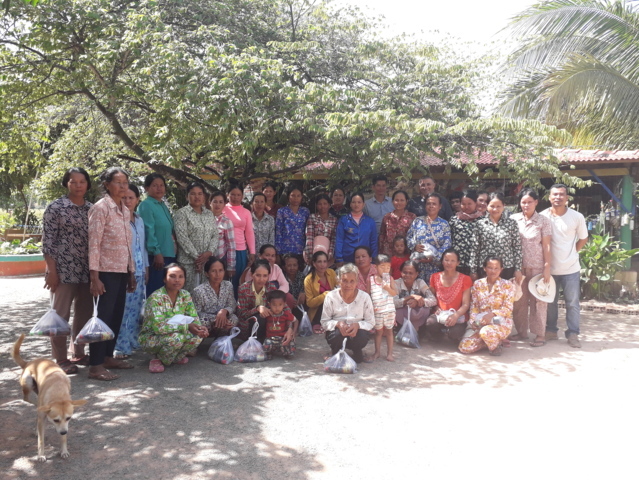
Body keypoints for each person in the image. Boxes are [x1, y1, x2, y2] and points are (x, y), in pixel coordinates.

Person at [42, 167, 94, 374]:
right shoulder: (56, 207)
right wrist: (51, 271)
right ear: (66, 184)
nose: (78, 185)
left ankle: (78, 352)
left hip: (87, 270)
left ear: (88, 184)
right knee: (60, 316)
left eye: (82, 181)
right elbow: (48, 242)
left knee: (84, 313)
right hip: (62, 270)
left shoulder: (92, 209)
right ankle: (61, 358)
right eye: (73, 181)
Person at [87, 167, 137, 381]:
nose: (123, 186)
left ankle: (108, 357)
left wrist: (131, 272)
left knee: (116, 316)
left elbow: (127, 244)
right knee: (102, 318)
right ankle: (95, 366)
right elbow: (94, 244)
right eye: (118, 182)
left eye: (125, 182)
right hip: (105, 273)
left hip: (121, 271)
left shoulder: (124, 209)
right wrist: (94, 277)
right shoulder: (101, 208)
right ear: (107, 185)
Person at [541, 184, 588, 348]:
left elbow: (583, 238)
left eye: (561, 195)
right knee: (550, 302)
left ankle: (573, 333)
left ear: (567, 198)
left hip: (571, 269)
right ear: (549, 197)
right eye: (555, 194)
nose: (558, 197)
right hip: (550, 269)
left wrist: (572, 253)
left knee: (572, 303)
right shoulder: (543, 217)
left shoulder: (577, 217)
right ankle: (551, 331)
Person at [139, 264, 208, 373]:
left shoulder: (185, 295)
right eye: (172, 276)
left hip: (175, 333)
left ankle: (174, 357)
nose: (177, 280)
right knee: (177, 338)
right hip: (152, 337)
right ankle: (157, 359)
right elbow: (159, 328)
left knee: (197, 336)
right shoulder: (156, 298)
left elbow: (193, 318)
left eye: (181, 276)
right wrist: (186, 327)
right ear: (164, 279)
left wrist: (200, 328)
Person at [510, 188, 552, 347]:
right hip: (518, 267)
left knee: (539, 301)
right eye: (523, 202)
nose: (526, 205)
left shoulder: (543, 221)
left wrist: (547, 267)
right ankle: (521, 332)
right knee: (518, 301)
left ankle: (540, 334)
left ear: (536, 202)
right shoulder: (513, 219)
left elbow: (547, 246)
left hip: (537, 267)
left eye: (529, 202)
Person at [114, 184, 149, 359]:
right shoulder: (117, 219)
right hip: (125, 272)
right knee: (123, 309)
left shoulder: (139, 220)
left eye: (131, 198)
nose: (127, 201)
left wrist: (146, 267)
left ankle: (133, 340)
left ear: (137, 200)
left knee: (136, 308)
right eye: (124, 198)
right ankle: (120, 346)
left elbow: (142, 246)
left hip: (140, 271)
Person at [459, 256, 515, 356]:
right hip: (481, 322)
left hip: (500, 322)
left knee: (486, 332)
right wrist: (473, 322)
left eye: (496, 268)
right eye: (490, 267)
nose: (493, 271)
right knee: (464, 347)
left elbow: (508, 308)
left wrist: (492, 314)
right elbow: (474, 306)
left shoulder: (507, 285)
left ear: (501, 269)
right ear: (484, 268)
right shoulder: (478, 284)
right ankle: (487, 342)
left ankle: (495, 345)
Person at [320, 263, 374, 364]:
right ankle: (336, 351)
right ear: (338, 280)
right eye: (344, 280)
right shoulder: (331, 297)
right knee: (336, 335)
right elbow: (324, 322)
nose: (348, 285)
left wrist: (358, 325)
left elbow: (370, 322)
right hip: (337, 334)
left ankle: (357, 351)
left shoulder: (364, 297)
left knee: (361, 337)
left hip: (356, 334)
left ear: (357, 281)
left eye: (352, 281)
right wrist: (338, 324)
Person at [173, 182, 218, 293]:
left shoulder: (209, 214)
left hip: (207, 262)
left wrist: (209, 252)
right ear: (187, 196)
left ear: (204, 196)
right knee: (186, 293)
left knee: (204, 293)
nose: (197, 197)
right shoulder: (181, 213)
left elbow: (215, 235)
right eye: (193, 194)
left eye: (200, 194)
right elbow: (182, 237)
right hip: (188, 262)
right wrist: (198, 258)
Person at [237, 260, 295, 343]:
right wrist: (257, 309)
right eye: (258, 275)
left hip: (270, 325)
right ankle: (257, 342)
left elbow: (286, 309)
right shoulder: (243, 289)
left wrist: (290, 328)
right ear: (252, 274)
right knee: (260, 317)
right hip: (249, 326)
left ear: (268, 276)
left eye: (265, 276)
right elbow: (242, 314)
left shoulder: (271, 287)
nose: (261, 279)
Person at [137, 173, 176, 296]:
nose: (159, 188)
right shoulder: (146, 205)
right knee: (156, 292)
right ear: (147, 188)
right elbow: (148, 230)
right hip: (157, 257)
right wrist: (156, 252)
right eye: (155, 185)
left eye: (161, 185)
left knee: (167, 292)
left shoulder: (162, 205)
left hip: (169, 253)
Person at [425, 249, 472, 343]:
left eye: (452, 261)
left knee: (455, 333)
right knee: (430, 323)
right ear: (442, 261)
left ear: (458, 263)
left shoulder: (465, 279)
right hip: (440, 314)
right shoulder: (434, 277)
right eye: (446, 260)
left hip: (458, 315)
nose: (449, 263)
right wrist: (436, 307)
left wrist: (456, 315)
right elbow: (431, 298)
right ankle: (438, 335)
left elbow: (466, 304)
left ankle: (452, 336)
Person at [474, 192, 523, 281]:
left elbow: (517, 247)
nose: (495, 209)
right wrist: (473, 270)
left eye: (498, 206)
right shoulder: (479, 224)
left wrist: (518, 269)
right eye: (492, 206)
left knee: (505, 290)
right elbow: (475, 248)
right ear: (487, 206)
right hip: (485, 268)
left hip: (506, 268)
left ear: (503, 206)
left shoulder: (511, 224)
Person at [406, 193, 452, 282]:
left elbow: (447, 243)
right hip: (418, 266)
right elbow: (409, 237)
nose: (431, 206)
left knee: (433, 288)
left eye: (434, 204)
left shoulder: (444, 224)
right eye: (428, 203)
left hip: (436, 266)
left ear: (440, 206)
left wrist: (434, 258)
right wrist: (414, 246)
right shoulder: (417, 221)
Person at [192, 257, 238, 337]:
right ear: (207, 273)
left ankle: (222, 338)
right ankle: (205, 338)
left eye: (220, 270)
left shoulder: (228, 285)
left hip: (224, 319)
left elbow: (232, 305)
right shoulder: (199, 291)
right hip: (208, 322)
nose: (218, 274)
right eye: (213, 271)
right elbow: (196, 313)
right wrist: (216, 318)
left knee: (234, 318)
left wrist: (224, 311)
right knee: (202, 320)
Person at [224, 184, 256, 293]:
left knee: (238, 280)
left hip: (240, 250)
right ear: (227, 195)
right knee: (223, 279)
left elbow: (249, 232)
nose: (236, 197)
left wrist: (252, 252)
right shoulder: (222, 209)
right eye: (233, 194)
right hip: (224, 250)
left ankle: (238, 302)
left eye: (238, 195)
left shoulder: (246, 212)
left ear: (242, 196)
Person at [393, 260, 437, 332]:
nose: (407, 275)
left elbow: (433, 300)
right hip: (400, 317)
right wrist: (411, 297)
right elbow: (393, 303)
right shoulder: (396, 283)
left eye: (411, 273)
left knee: (426, 309)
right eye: (405, 272)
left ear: (416, 274)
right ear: (401, 272)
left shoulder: (420, 282)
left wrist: (419, 302)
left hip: (417, 316)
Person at [335, 193, 378, 265]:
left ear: (363, 204)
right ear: (350, 204)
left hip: (364, 259)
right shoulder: (344, 220)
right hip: (347, 258)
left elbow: (373, 241)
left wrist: (373, 258)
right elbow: (339, 240)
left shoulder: (370, 221)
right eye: (354, 202)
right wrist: (339, 258)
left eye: (359, 202)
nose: (356, 204)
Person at [370, 255, 398, 362]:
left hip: (389, 310)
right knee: (378, 332)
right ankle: (377, 352)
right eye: (382, 267)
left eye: (388, 267)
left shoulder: (389, 279)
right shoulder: (371, 280)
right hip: (377, 310)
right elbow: (368, 295)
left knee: (389, 332)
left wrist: (387, 287)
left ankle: (389, 354)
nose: (385, 270)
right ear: (375, 267)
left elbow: (394, 293)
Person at [448, 190, 482, 276]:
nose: (466, 207)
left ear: (475, 203)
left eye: (469, 204)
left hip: (476, 264)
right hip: (457, 263)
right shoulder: (454, 220)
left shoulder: (483, 221)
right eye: (463, 204)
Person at [304, 251, 338, 333]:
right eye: (319, 262)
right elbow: (309, 303)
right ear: (314, 264)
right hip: (318, 311)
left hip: (334, 306)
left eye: (324, 261)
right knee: (326, 299)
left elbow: (337, 288)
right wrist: (325, 295)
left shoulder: (331, 272)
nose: (322, 264)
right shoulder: (308, 279)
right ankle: (318, 324)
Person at [275, 185, 310, 256]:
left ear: (301, 197)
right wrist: (278, 251)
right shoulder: (282, 211)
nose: (296, 198)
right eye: (293, 195)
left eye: (298, 196)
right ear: (288, 196)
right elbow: (278, 231)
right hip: (285, 249)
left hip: (301, 249)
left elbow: (308, 231)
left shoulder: (305, 211)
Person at [379, 190, 416, 256]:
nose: (399, 203)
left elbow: (415, 236)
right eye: (396, 200)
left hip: (406, 254)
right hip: (388, 253)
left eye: (402, 200)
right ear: (392, 201)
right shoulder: (387, 217)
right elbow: (382, 235)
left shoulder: (412, 217)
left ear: (406, 201)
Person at [304, 193, 337, 265]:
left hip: (328, 255)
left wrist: (330, 254)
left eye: (325, 204)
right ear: (316, 205)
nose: (322, 206)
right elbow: (309, 237)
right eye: (320, 204)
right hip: (313, 253)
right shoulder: (312, 217)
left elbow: (333, 239)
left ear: (329, 205)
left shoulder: (334, 220)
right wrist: (311, 255)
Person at [262, 290, 296, 359]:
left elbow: (295, 321)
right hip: (270, 339)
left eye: (280, 305)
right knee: (266, 344)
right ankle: (268, 353)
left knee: (290, 343)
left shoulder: (286, 314)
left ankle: (287, 353)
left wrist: (293, 332)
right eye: (274, 305)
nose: (277, 308)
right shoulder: (267, 314)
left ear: (284, 304)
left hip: (282, 338)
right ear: (269, 304)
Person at [210, 190, 236, 280]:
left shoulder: (227, 221)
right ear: (210, 202)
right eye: (215, 201)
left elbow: (231, 245)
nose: (217, 205)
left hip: (221, 259)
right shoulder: (204, 219)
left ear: (224, 204)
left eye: (221, 202)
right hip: (205, 260)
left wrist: (231, 266)